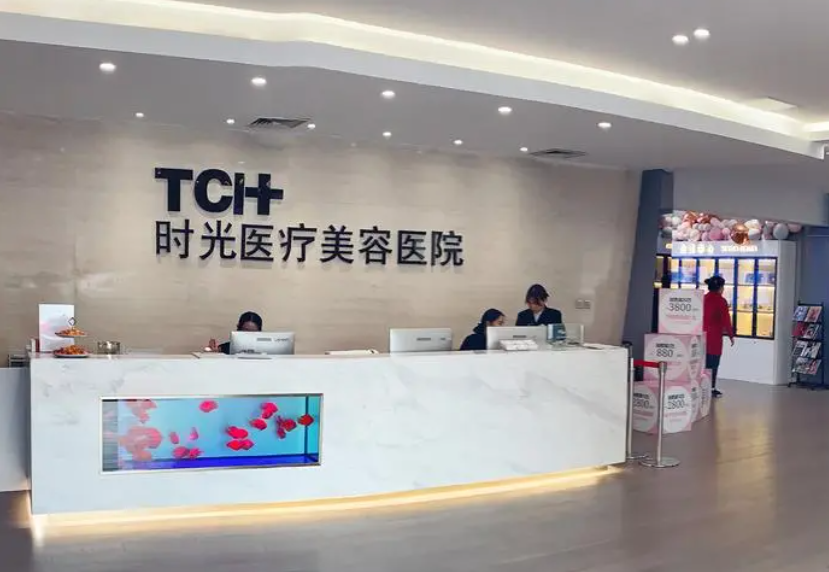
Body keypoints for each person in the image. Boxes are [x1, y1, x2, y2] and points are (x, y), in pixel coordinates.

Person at [703, 276, 734, 398]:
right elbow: (726, 320)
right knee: (713, 364)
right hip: (714, 338)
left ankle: (702, 387)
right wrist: (731, 335)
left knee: (703, 363)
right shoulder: (721, 301)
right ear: (720, 288)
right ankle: (711, 388)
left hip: (701, 336)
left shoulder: (703, 298)